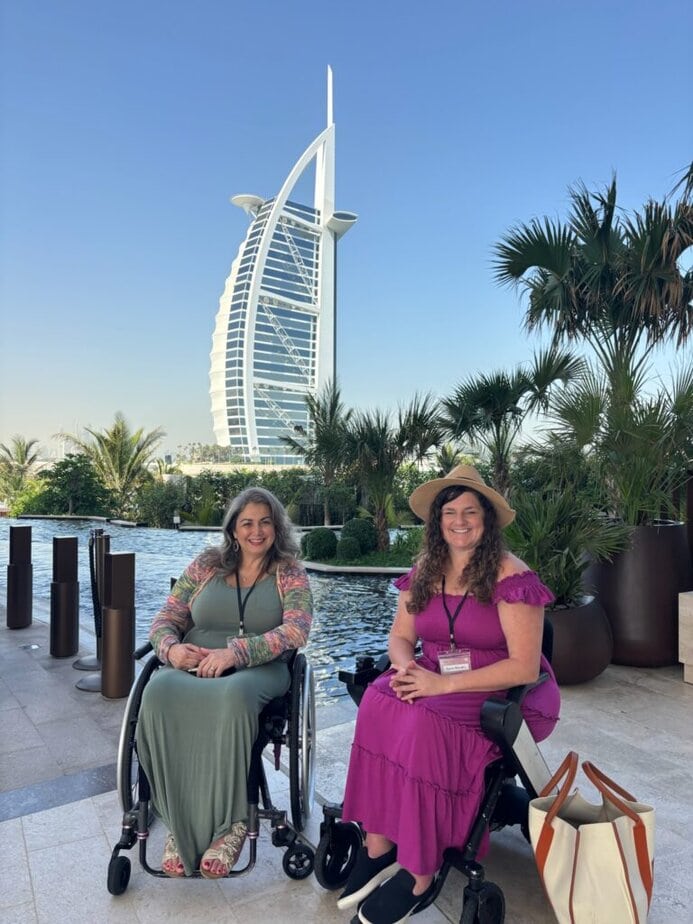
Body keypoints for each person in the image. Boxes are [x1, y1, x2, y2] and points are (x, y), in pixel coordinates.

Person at [337, 466, 560, 924]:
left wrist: (440, 684)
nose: (460, 521)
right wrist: (406, 669)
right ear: (437, 521)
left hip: (503, 690)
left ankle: (420, 870)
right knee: (380, 702)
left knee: (422, 720)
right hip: (435, 674)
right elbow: (400, 637)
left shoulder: (511, 576)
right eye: (450, 512)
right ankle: (378, 844)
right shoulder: (424, 572)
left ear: (487, 519)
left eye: (470, 512)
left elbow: (522, 665)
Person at [136, 486, 313, 879]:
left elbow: (297, 630)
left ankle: (231, 825)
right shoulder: (206, 565)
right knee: (159, 691)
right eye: (247, 522)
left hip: (258, 668)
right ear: (233, 529)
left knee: (233, 697)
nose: (256, 531)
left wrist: (237, 653)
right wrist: (171, 651)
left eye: (265, 522)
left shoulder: (290, 572)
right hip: (194, 663)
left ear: (276, 528)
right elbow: (165, 619)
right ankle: (180, 823)